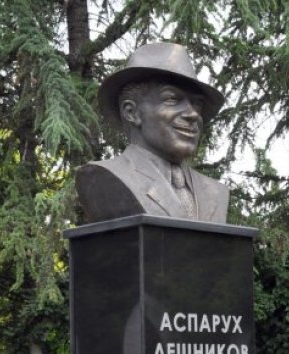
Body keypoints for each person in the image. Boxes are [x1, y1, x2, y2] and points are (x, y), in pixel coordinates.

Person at [75, 42, 229, 224]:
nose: (193, 114)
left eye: (197, 104)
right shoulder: (102, 177)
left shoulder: (215, 192)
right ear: (131, 112)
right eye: (172, 99)